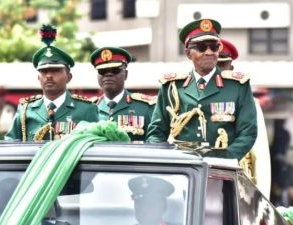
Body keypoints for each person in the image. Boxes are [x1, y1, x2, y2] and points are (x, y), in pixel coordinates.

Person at [146, 19, 257, 161]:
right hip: (183, 167)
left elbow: (248, 132)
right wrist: (167, 161)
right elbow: (156, 132)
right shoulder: (172, 87)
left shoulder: (237, 86)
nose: (209, 52)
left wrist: (225, 159)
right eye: (202, 47)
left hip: (222, 169)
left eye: (214, 47)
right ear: (188, 53)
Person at [5, 25, 99, 142]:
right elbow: (10, 144)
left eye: (56, 71)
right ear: (38, 78)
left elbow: (98, 146)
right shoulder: (25, 110)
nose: (49, 76)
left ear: (69, 77)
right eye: (43, 71)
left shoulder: (86, 109)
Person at [217, 38, 271, 199]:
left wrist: (262, 201)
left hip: (237, 187)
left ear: (231, 68)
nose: (217, 72)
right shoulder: (190, 101)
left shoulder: (249, 103)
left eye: (222, 66)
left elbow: (259, 158)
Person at [90, 47, 156, 141]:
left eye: (115, 70)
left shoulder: (146, 107)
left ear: (126, 74)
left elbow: (155, 143)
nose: (108, 74)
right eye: (102, 71)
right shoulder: (89, 108)